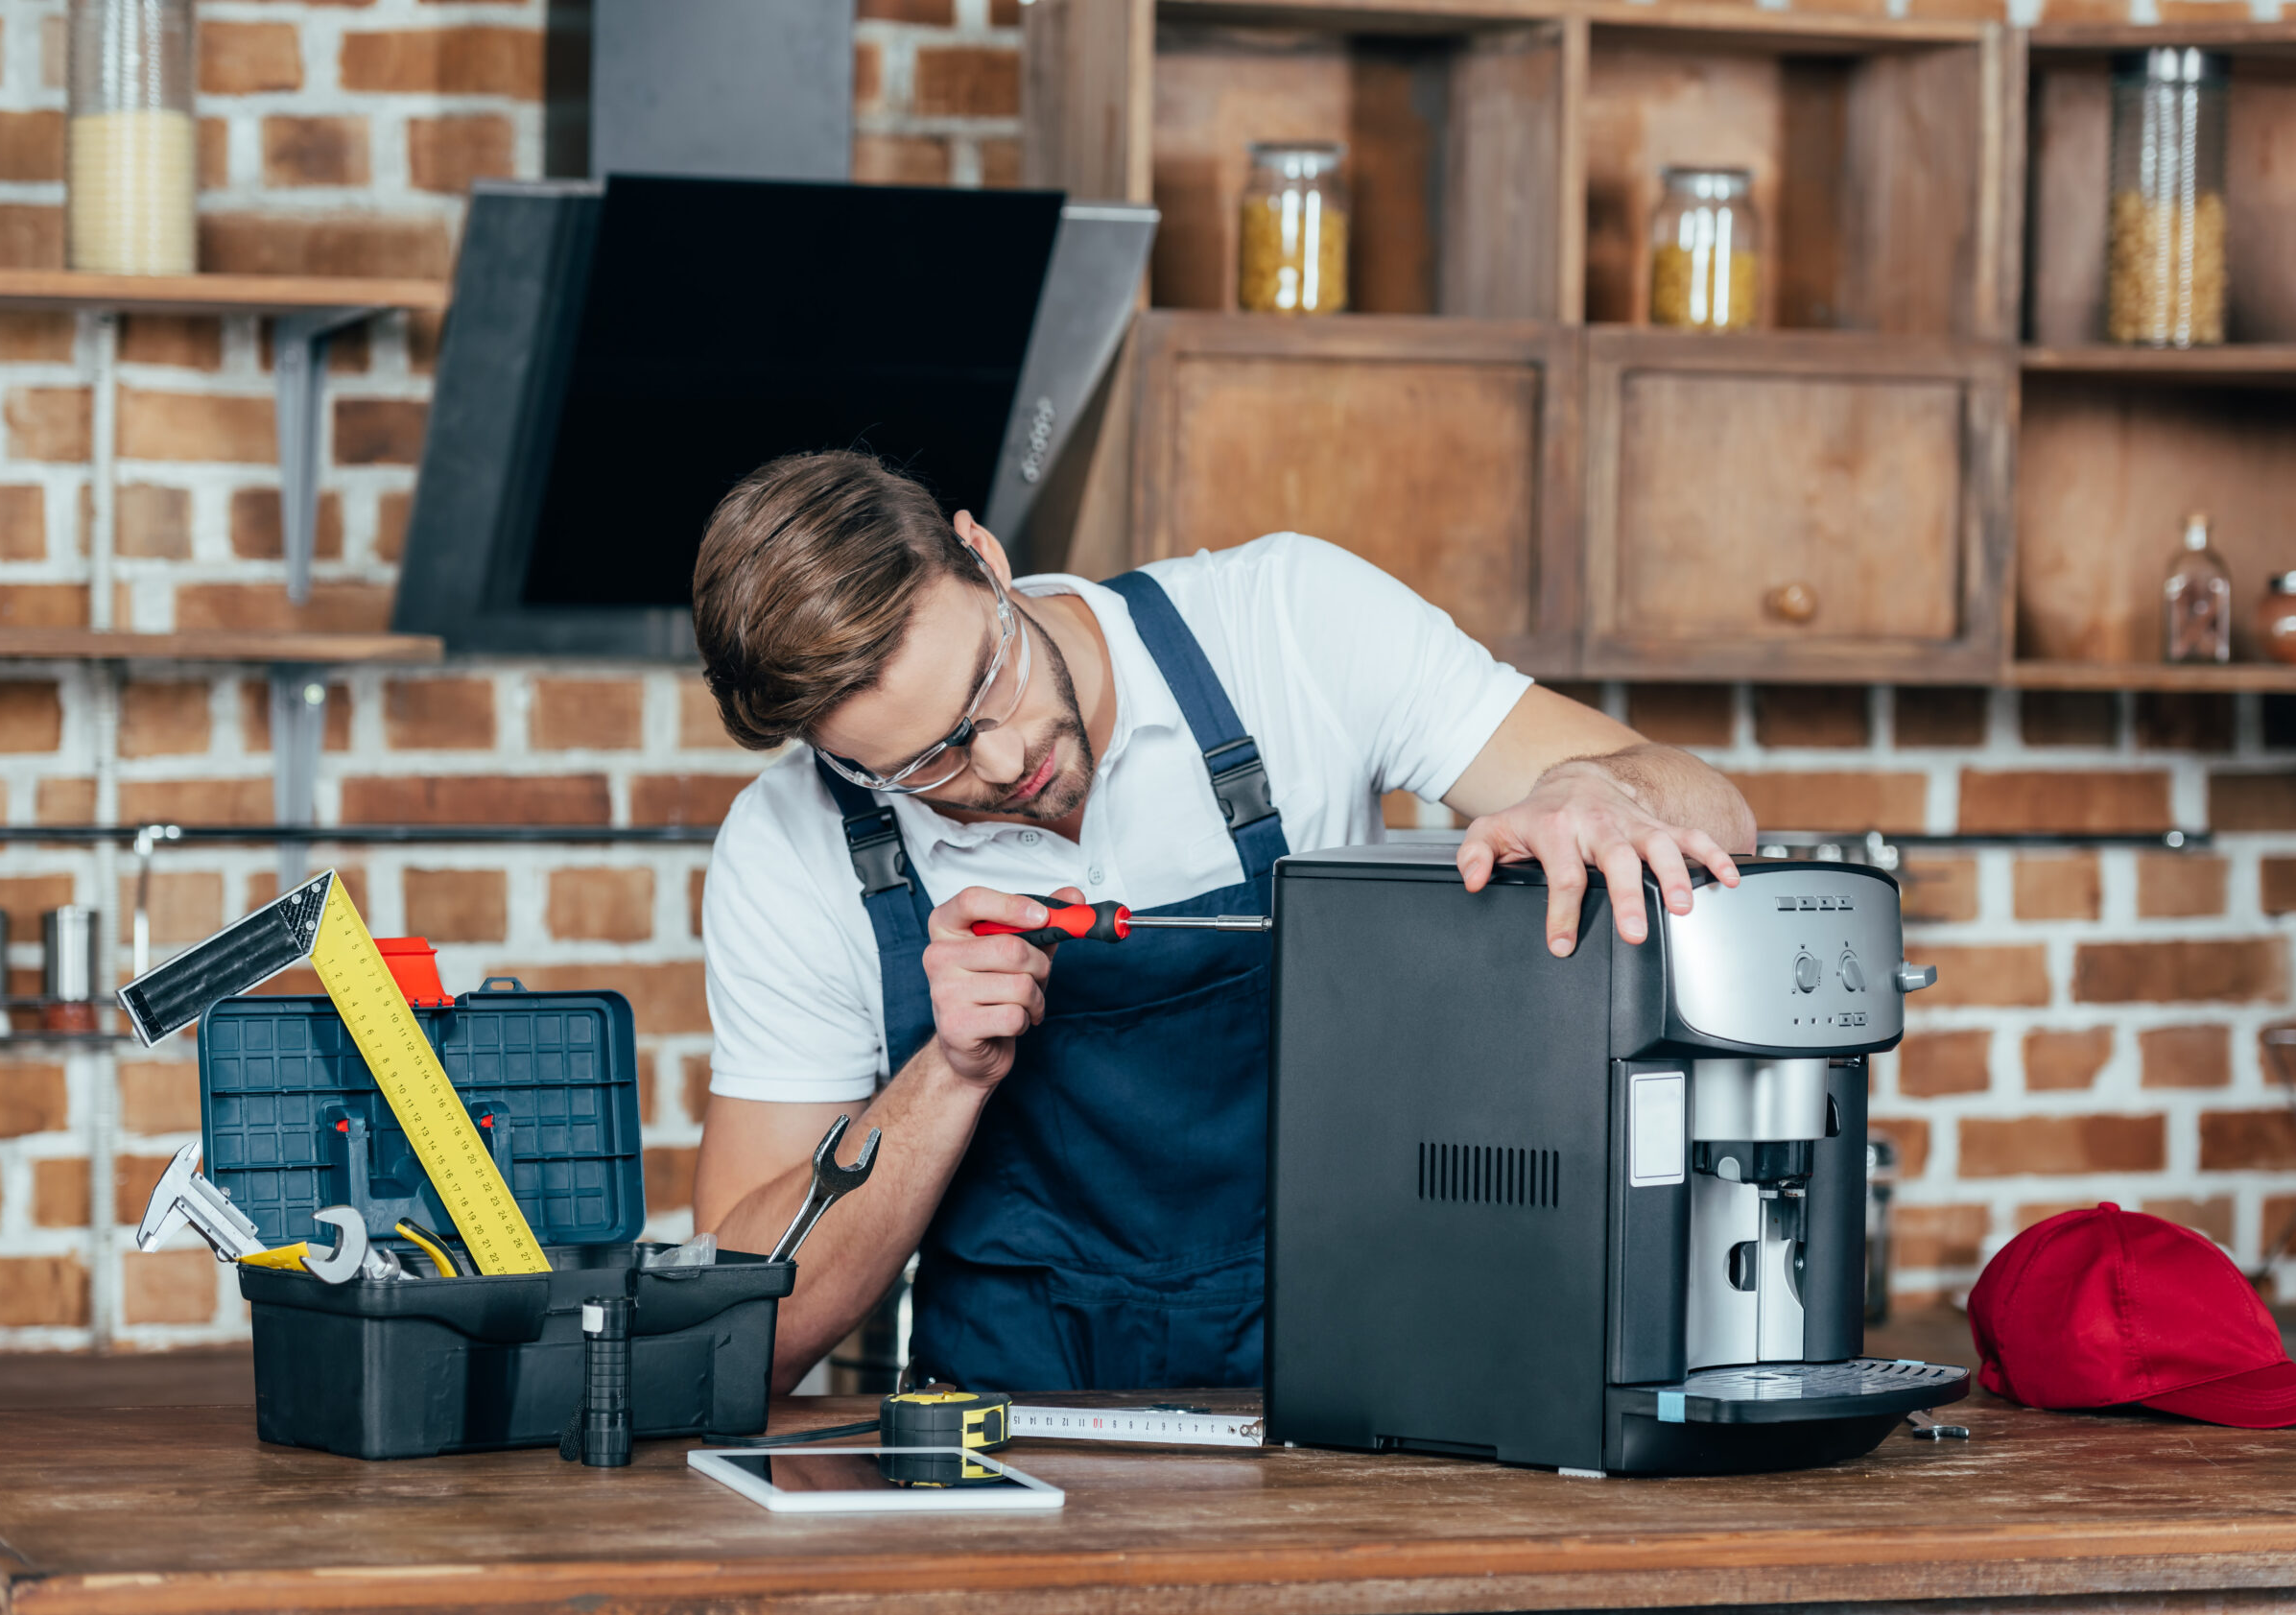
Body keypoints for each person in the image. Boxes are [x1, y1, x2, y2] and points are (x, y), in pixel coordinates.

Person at [688, 450, 1756, 1394]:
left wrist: (1592, 791)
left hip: (1349, 1399)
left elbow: (1715, 810)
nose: (1005, 762)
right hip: (1013, 1447)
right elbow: (745, 1333)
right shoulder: (792, 847)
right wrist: (944, 1075)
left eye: (989, 680)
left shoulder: (1284, 625)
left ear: (985, 557)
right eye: (928, 763)